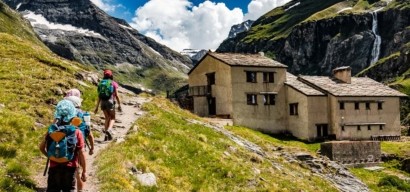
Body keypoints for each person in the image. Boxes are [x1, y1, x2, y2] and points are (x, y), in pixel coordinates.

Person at [39, 100, 86, 192]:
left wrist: (51, 157)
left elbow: (41, 147)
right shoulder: (77, 132)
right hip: (70, 168)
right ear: (72, 115)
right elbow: (81, 153)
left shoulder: (51, 131)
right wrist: (84, 171)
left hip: (54, 167)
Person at [64, 91, 95, 192]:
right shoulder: (85, 114)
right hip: (80, 144)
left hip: (66, 144)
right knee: (79, 170)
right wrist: (92, 147)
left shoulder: (64, 114)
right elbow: (89, 132)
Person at [94, 69, 122, 141]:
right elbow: (117, 95)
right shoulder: (113, 83)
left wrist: (96, 107)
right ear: (111, 75)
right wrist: (119, 105)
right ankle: (109, 130)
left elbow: (99, 96)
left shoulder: (101, 83)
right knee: (112, 118)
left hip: (102, 102)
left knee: (107, 118)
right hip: (110, 101)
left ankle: (106, 136)